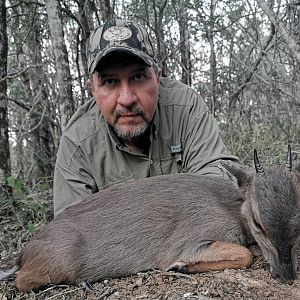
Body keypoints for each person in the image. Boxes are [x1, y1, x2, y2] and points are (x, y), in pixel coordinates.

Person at [53, 18, 238, 216]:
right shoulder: (77, 144)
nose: (127, 99)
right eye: (109, 81)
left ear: (157, 78)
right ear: (93, 89)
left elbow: (220, 186)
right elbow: (72, 230)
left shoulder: (185, 107)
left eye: (138, 77)